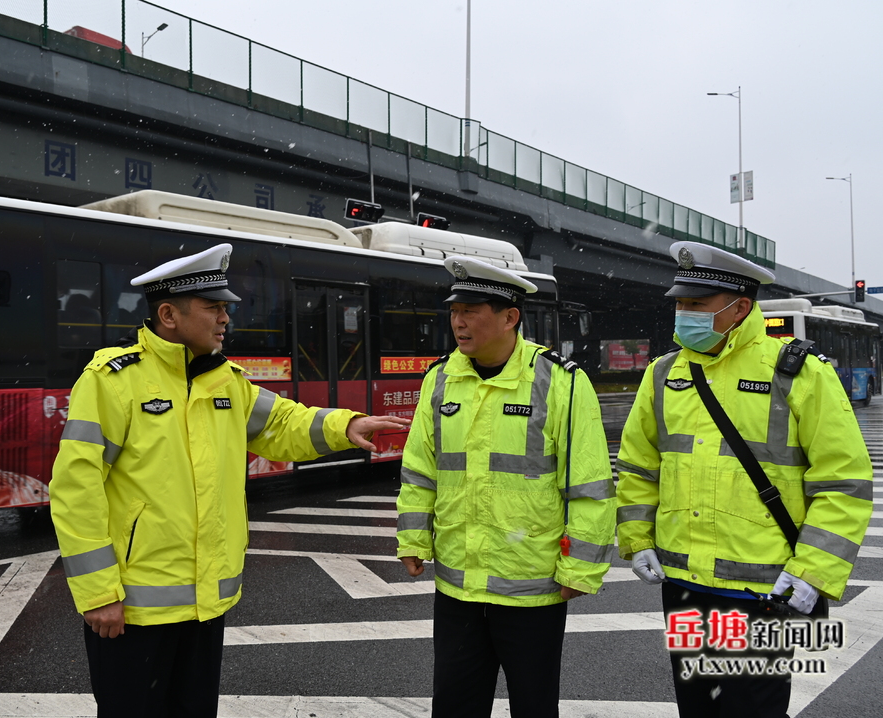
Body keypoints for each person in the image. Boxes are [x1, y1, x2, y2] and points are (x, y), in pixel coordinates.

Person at [50, 243, 410, 718]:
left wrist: (344, 426)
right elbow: (76, 489)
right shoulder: (112, 381)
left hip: (205, 605)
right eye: (213, 307)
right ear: (168, 314)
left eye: (226, 308)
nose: (225, 318)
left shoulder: (226, 381)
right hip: (133, 609)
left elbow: (283, 424)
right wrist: (98, 595)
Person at [616, 241, 873, 718]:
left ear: (740, 308)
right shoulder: (663, 374)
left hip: (764, 592)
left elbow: (843, 482)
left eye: (697, 304)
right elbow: (638, 467)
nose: (683, 314)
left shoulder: (798, 373)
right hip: (686, 586)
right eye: (680, 303)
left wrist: (813, 569)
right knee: (696, 706)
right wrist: (636, 537)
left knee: (752, 710)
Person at [397, 255, 615, 718]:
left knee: (534, 707)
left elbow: (590, 484)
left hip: (531, 589)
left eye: (471, 311)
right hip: (458, 586)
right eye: (455, 311)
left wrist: (580, 569)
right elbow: (420, 470)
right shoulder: (440, 380)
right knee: (454, 706)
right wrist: (412, 538)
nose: (459, 322)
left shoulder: (561, 383)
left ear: (510, 317)